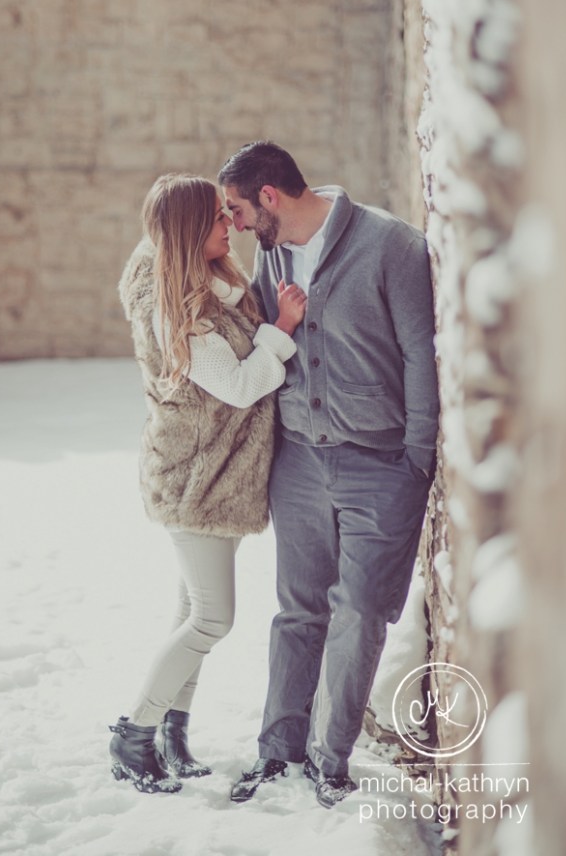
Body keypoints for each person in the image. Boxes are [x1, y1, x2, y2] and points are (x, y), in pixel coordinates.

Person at [218, 141, 439, 809]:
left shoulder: (390, 245)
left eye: (234, 208)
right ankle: (277, 751)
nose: (229, 222)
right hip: (299, 463)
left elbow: (419, 356)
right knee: (298, 611)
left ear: (268, 196)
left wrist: (417, 461)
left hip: (381, 465)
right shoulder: (271, 254)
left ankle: (328, 758)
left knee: (363, 612)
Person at [110, 172, 307, 795]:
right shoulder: (181, 314)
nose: (233, 225)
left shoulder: (205, 283)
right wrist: (282, 330)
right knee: (213, 618)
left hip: (217, 473)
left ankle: (171, 733)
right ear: (193, 233)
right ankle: (133, 732)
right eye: (220, 219)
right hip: (196, 478)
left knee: (189, 609)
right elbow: (243, 384)